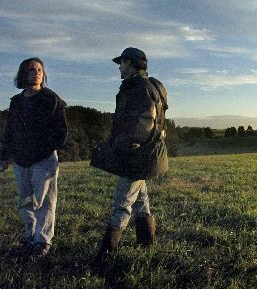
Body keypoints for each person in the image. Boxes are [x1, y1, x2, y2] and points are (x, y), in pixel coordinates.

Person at [94, 47, 167, 261]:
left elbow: (145, 119)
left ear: (132, 64)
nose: (119, 67)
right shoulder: (150, 84)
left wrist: (130, 143)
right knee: (140, 198)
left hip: (138, 152)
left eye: (122, 63)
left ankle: (106, 254)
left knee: (122, 201)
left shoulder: (139, 87)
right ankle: (146, 242)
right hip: (146, 151)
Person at [0, 57, 68, 256]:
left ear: (43, 74)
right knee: (25, 201)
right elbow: (10, 131)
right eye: (31, 70)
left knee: (45, 201)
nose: (36, 73)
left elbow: (61, 133)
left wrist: (43, 149)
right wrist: (4, 156)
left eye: (39, 70)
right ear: (23, 74)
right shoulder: (17, 101)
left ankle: (43, 240)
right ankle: (30, 235)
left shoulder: (51, 99)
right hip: (21, 160)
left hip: (43, 159)